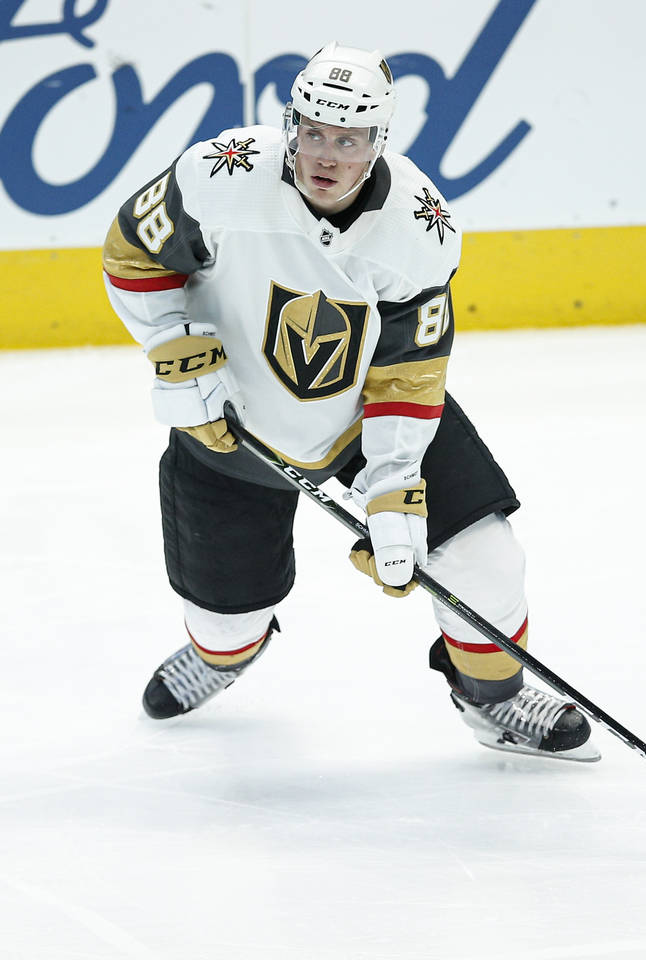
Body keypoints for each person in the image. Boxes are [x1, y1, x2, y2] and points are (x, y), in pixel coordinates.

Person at [102, 41, 598, 761]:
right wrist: (174, 341)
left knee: (487, 561)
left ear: (378, 142)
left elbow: (412, 368)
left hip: (369, 416)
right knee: (223, 620)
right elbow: (133, 252)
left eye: (349, 138)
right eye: (313, 132)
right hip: (230, 423)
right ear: (291, 123)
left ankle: (492, 699)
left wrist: (395, 481)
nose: (325, 155)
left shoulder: (420, 230)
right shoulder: (222, 172)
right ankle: (223, 655)